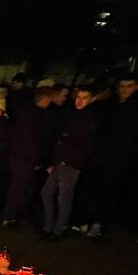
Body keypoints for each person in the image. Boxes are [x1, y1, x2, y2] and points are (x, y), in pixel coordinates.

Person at [81, 73, 138, 238]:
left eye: (129, 86)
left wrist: (125, 154)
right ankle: (89, 219)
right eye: (122, 86)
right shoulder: (111, 105)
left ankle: (101, 224)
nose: (125, 90)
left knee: (109, 192)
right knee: (94, 188)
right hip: (100, 155)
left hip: (119, 159)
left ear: (137, 87)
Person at [41, 86, 98, 238]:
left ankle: (57, 230)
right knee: (46, 193)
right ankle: (49, 226)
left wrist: (70, 162)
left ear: (92, 99)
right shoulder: (75, 115)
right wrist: (55, 162)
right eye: (78, 97)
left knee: (64, 199)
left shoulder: (89, 118)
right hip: (61, 162)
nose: (79, 101)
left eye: (84, 97)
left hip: (70, 165)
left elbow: (86, 145)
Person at [2, 86, 56, 226]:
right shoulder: (31, 115)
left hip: (21, 156)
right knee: (19, 188)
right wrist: (36, 159)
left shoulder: (27, 112)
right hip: (23, 158)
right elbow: (30, 139)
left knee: (22, 188)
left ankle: (15, 214)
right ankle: (9, 216)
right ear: (45, 99)